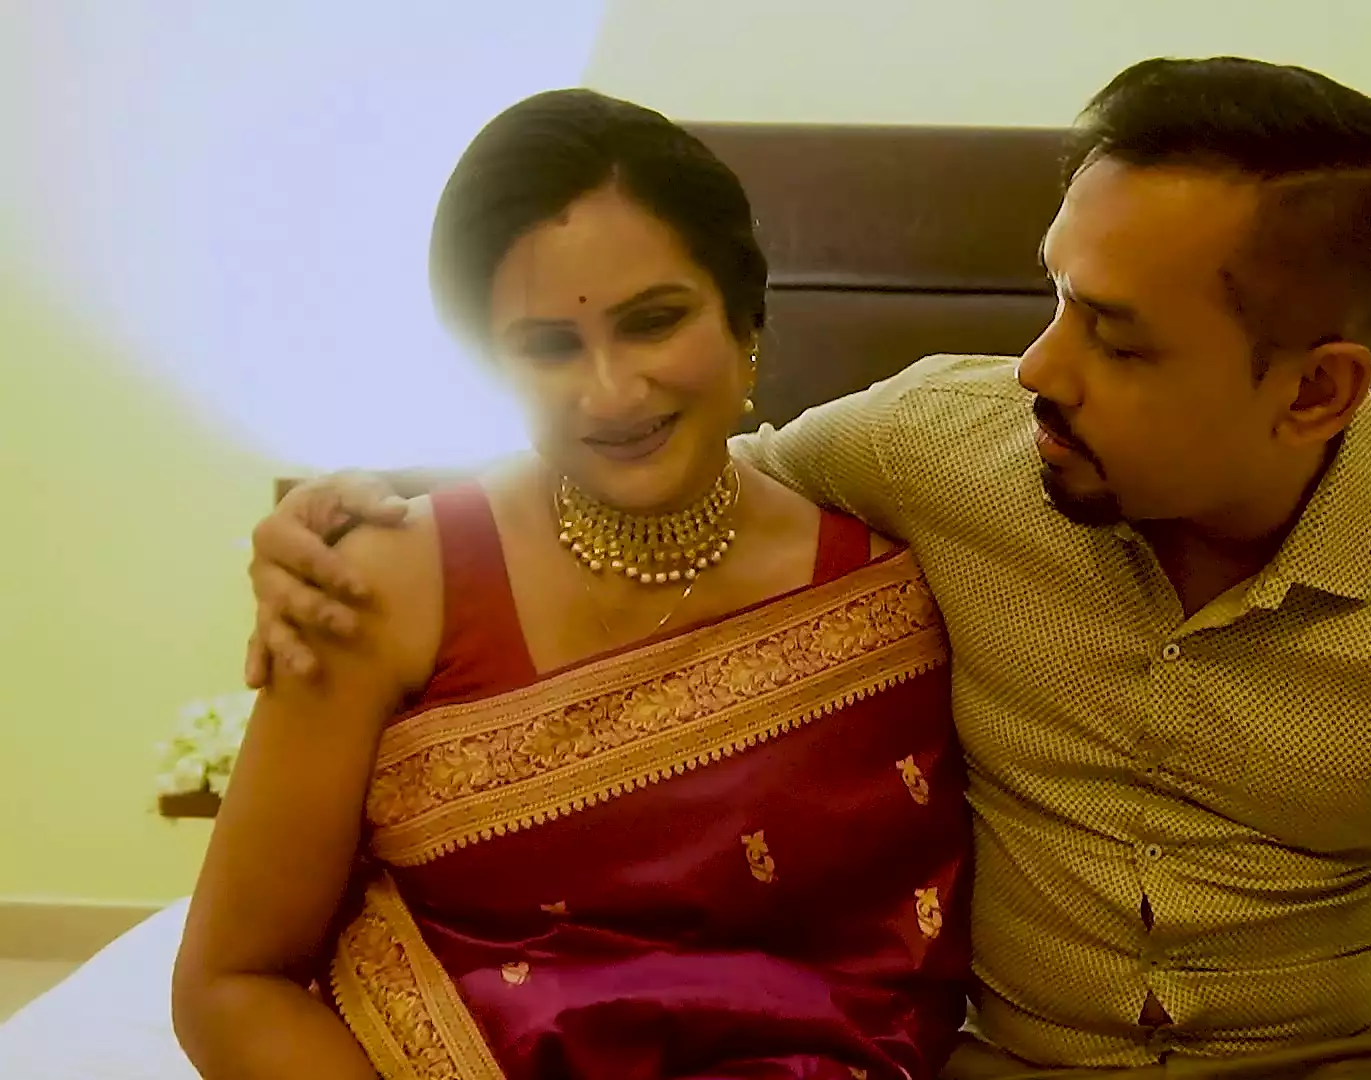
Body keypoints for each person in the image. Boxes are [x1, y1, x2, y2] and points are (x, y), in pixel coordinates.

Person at [242, 58, 1371, 1080]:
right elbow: (676, 465)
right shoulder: (943, 442)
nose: (1041, 367)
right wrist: (380, 519)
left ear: (1316, 392)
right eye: (1055, 297)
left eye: (1118, 340)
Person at [171, 89, 974, 1080]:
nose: (611, 391)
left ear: (745, 321)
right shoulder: (377, 587)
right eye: (548, 346)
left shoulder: (889, 597)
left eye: (655, 322)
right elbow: (230, 982)